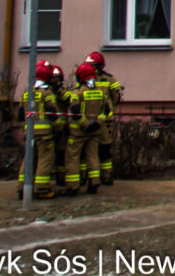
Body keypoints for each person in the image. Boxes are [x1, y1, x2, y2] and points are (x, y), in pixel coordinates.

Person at [61, 62, 107, 196]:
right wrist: (97, 123)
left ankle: (73, 186)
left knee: (72, 158)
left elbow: (75, 113)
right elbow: (106, 110)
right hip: (95, 132)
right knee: (93, 157)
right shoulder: (100, 92)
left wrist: (85, 125)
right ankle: (94, 182)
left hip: (78, 133)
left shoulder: (77, 93)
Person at [16, 60, 59, 199]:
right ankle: (41, 189)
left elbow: (19, 115)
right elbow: (53, 114)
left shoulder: (26, 93)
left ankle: (22, 187)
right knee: (45, 160)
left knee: (28, 159)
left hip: (29, 134)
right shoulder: (47, 94)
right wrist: (59, 125)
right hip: (44, 135)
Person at [84, 51, 122, 186]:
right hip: (88, 120)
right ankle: (86, 178)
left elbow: (116, 98)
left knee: (105, 149)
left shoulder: (109, 79)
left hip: (105, 121)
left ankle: (106, 176)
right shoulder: (85, 78)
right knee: (87, 149)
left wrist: (108, 111)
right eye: (89, 65)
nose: (91, 68)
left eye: (94, 65)